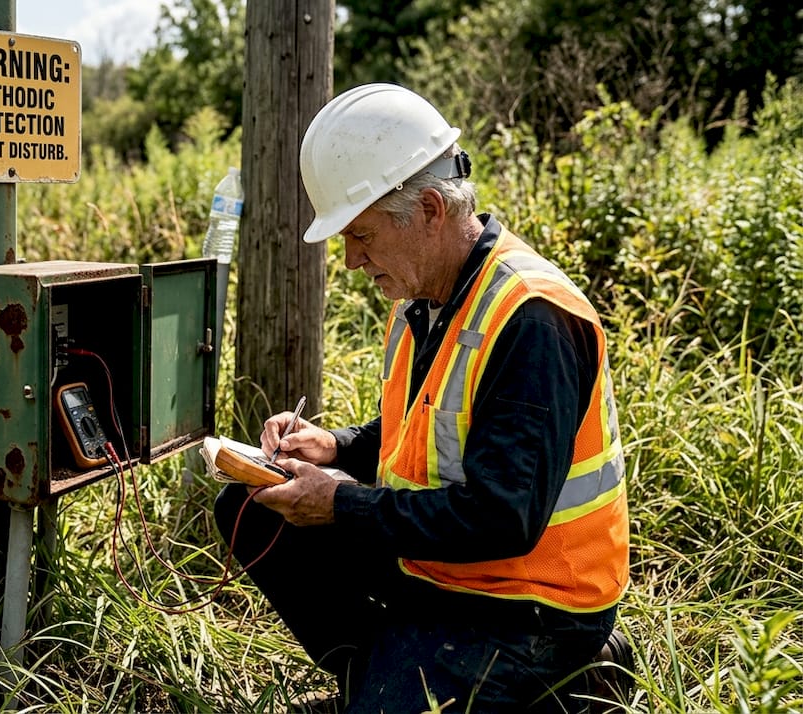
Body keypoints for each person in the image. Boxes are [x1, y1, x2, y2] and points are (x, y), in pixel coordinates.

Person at [214, 83, 629, 712]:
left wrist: (342, 505)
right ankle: (383, 676)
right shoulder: (425, 296)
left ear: (430, 209)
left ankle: (569, 681)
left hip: (532, 607)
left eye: (362, 235)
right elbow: (428, 425)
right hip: (443, 570)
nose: (352, 259)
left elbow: (504, 517)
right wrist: (338, 446)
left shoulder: (532, 319)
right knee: (246, 508)